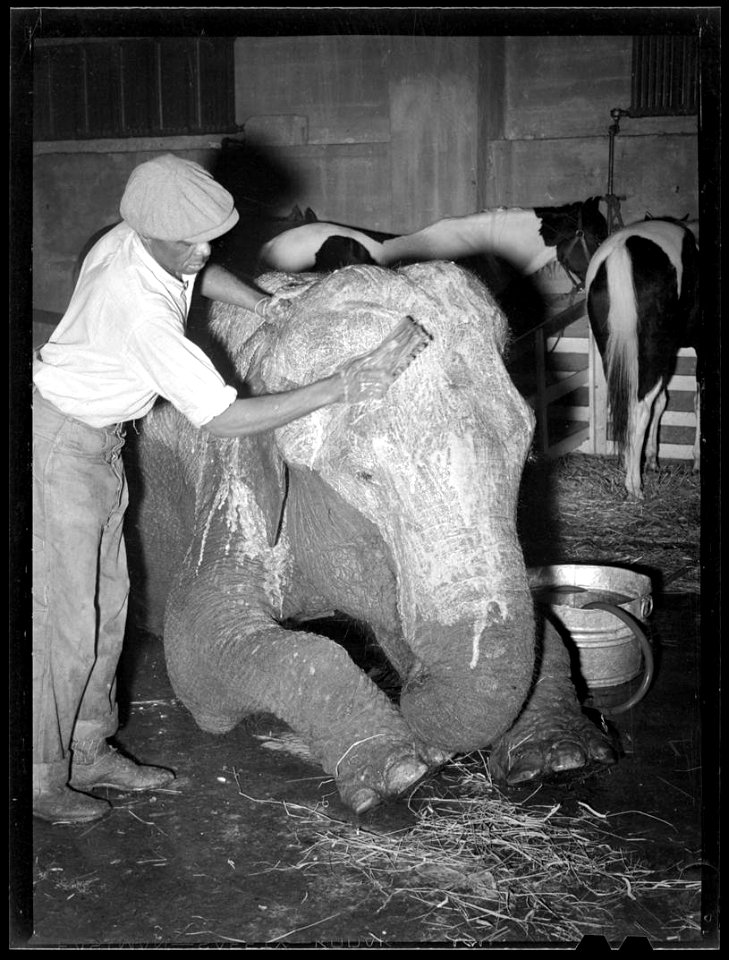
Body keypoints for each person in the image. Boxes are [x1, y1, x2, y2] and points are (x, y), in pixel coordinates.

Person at [32, 153, 428, 824]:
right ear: (152, 234)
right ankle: (41, 778)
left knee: (107, 609)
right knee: (63, 623)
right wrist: (341, 385)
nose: (206, 247)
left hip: (99, 443)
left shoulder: (135, 237)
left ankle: (88, 748)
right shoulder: (140, 316)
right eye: (191, 237)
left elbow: (202, 271)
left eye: (210, 232)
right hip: (60, 449)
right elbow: (223, 418)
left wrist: (266, 306)